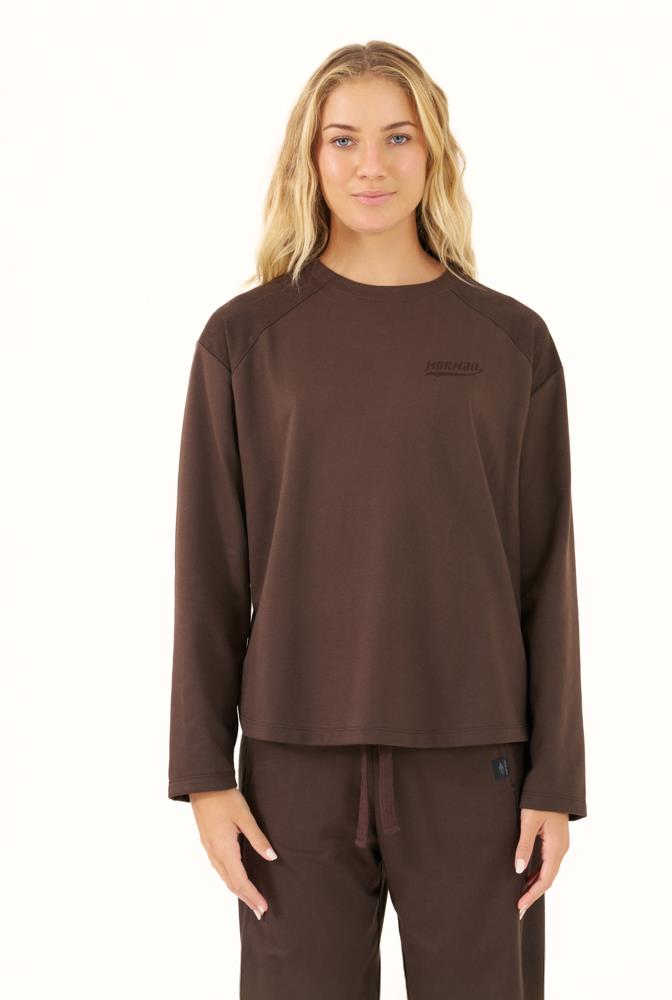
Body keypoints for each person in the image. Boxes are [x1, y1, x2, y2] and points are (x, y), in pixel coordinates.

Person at [168, 40, 587, 1000]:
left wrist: (556, 780)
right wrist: (205, 773)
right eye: (344, 139)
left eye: (398, 137)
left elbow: (546, 570)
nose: (371, 165)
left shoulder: (511, 343)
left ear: (433, 151)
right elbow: (209, 569)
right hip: (292, 768)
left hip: (477, 761)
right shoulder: (245, 340)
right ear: (309, 157)